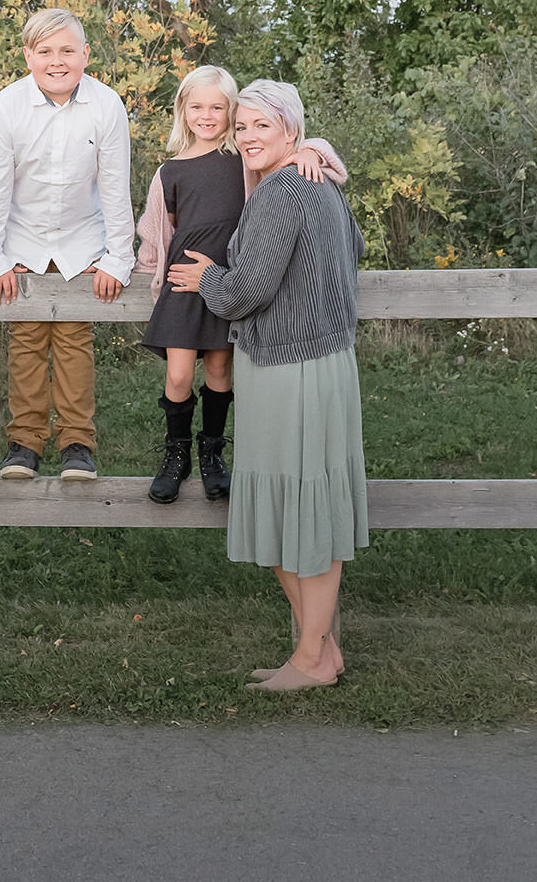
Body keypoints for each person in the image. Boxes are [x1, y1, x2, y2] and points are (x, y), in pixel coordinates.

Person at [169, 79, 368, 690]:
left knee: (296, 517)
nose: (249, 136)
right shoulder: (323, 187)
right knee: (311, 512)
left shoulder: (283, 191)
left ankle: (310, 659)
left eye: (262, 125)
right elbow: (353, 252)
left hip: (289, 370)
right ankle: (322, 650)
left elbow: (248, 291)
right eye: (243, 126)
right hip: (328, 366)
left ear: (291, 131)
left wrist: (206, 279)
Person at [135, 65, 346, 505]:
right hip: (184, 279)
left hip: (228, 276)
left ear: (232, 112)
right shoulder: (170, 170)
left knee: (219, 370)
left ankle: (212, 452)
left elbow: (301, 141)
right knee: (177, 375)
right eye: (197, 106)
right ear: (182, 111)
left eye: (218, 107)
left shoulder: (243, 158)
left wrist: (313, 152)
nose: (207, 115)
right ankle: (176, 455)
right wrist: (150, 276)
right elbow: (157, 234)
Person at [0, 8, 134, 482]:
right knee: (25, 342)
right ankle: (24, 444)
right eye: (45, 52)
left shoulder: (107, 106)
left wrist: (116, 258)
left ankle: (77, 444)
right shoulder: (7, 106)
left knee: (73, 343)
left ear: (85, 54)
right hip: (21, 244)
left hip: (84, 244)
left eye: (67, 50)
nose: (57, 61)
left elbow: (114, 188)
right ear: (28, 56)